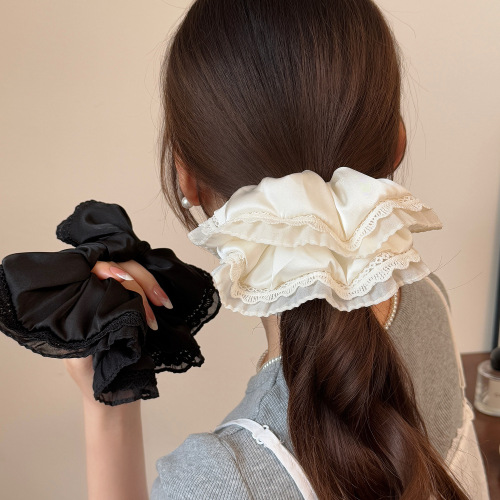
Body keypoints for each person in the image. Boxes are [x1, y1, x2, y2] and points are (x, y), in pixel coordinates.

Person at [63, 0, 489, 498]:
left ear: (187, 178)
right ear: (397, 143)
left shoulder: (218, 482)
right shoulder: (429, 299)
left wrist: (105, 407)